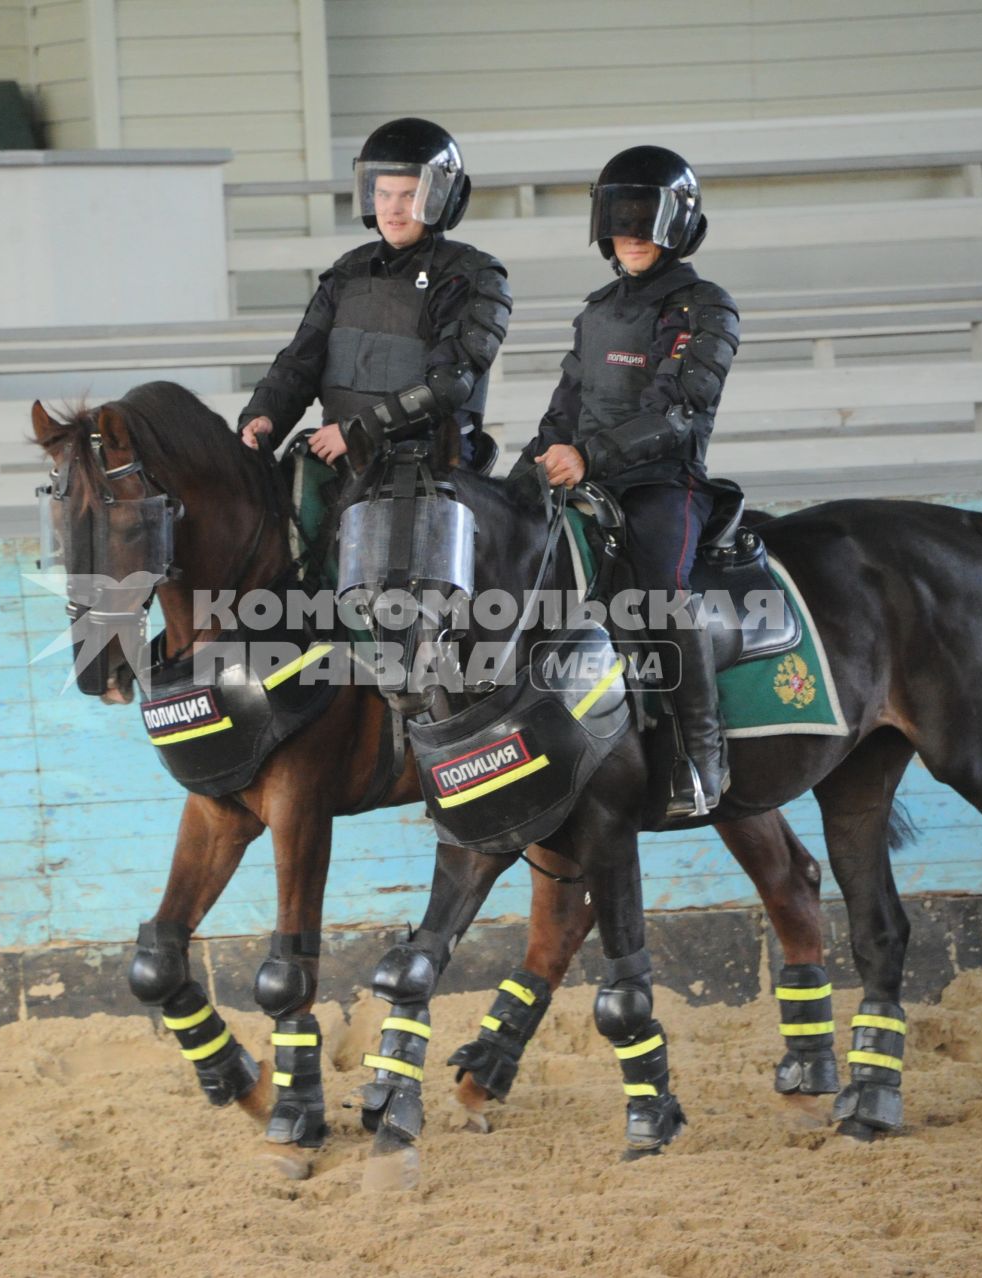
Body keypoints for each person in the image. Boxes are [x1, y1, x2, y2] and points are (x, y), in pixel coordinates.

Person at [510, 145, 741, 818]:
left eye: (647, 218)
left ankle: (703, 753)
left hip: (666, 485)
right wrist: (525, 472)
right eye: (619, 218)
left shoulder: (706, 308)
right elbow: (563, 408)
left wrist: (589, 457)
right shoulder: (596, 312)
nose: (632, 234)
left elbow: (679, 411)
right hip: (586, 480)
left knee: (664, 592)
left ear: (680, 225)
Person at [238, 117, 511, 469]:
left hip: (428, 466)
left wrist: (357, 430)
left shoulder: (473, 276)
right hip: (339, 457)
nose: (393, 209)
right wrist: (264, 415)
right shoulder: (348, 271)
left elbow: (447, 386)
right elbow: (299, 363)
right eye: (384, 194)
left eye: (409, 195)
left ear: (441, 198)